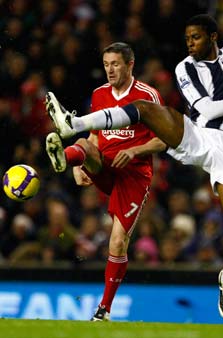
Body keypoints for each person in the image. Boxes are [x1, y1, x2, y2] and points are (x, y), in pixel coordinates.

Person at [45, 1, 223, 319]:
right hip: (197, 134)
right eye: (187, 38)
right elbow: (205, 110)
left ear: (213, 36)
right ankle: (75, 123)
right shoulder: (184, 68)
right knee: (147, 110)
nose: (189, 44)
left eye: (195, 37)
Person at [45, 42, 166, 321]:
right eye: (106, 65)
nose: (110, 70)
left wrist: (135, 150)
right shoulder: (99, 94)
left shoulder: (148, 96)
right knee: (82, 143)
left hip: (133, 174)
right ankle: (66, 157)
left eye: (115, 64)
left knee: (117, 243)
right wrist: (79, 166)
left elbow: (165, 139)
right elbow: (95, 137)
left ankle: (104, 309)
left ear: (130, 64)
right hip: (104, 163)